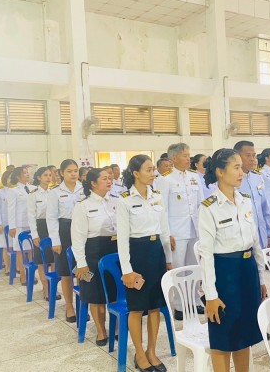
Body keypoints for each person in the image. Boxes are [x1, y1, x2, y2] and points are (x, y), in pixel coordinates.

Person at [198, 148, 266, 372]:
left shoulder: (245, 201)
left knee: (243, 333)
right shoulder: (209, 208)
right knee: (223, 335)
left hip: (246, 272)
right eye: (236, 167)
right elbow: (205, 255)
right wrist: (211, 295)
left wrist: (261, 278)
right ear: (219, 172)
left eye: (241, 167)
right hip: (224, 275)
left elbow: (255, 243)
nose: (242, 172)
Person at [118, 155, 172, 372]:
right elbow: (122, 240)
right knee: (136, 308)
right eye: (149, 170)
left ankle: (152, 351)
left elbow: (165, 231)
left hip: (156, 252)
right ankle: (139, 354)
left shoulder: (157, 196)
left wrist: (168, 260)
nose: (153, 173)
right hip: (136, 254)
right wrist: (127, 270)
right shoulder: (124, 200)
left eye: (153, 170)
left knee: (154, 306)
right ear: (135, 173)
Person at [71, 168, 118, 346]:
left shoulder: (115, 201)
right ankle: (101, 330)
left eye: (110, 179)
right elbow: (77, 238)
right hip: (93, 253)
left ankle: (115, 328)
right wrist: (81, 263)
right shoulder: (83, 206)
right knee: (96, 294)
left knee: (114, 291)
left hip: (114, 250)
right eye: (104, 179)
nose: (109, 182)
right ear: (93, 183)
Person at [157, 143, 204, 320]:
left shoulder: (194, 177)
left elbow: (201, 204)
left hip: (194, 229)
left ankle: (194, 300)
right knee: (178, 269)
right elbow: (163, 210)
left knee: (194, 268)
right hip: (176, 231)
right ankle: (178, 305)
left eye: (189, 155)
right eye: (185, 156)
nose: (188, 158)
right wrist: (167, 233)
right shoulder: (166, 179)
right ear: (174, 158)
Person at [47, 159, 84, 322]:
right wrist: (55, 240)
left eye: (75, 170)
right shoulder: (55, 192)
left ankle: (84, 304)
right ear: (61, 173)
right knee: (66, 272)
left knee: (83, 269)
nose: (73, 174)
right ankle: (69, 306)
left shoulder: (84, 189)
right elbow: (51, 218)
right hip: (63, 231)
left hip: (82, 231)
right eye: (69, 171)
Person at [234, 141, 270, 250]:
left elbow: (264, 208)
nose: (252, 159)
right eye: (248, 156)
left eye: (254, 155)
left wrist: (269, 233)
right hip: (244, 239)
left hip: (261, 235)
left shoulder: (257, 178)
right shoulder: (232, 180)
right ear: (237, 157)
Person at [28, 167, 58, 301]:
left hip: (53, 226)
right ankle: (46, 289)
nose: (48, 177)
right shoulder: (33, 194)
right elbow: (31, 216)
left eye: (50, 175)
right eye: (45, 175)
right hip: (40, 227)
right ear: (39, 177)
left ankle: (54, 288)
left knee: (53, 259)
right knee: (42, 262)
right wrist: (34, 234)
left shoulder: (54, 192)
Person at [7, 166, 36, 285]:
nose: (27, 174)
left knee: (31, 249)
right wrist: (12, 226)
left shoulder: (33, 188)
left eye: (28, 172)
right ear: (18, 176)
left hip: (32, 223)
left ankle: (31, 274)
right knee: (19, 250)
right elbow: (11, 209)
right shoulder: (13, 190)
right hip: (19, 224)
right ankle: (22, 275)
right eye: (25, 173)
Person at [0, 171, 13, 273]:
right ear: (5, 179)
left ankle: (18, 266)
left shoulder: (16, 191)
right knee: (5, 246)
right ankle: (8, 267)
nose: (11, 180)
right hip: (4, 222)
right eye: (9, 178)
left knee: (15, 246)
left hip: (14, 222)